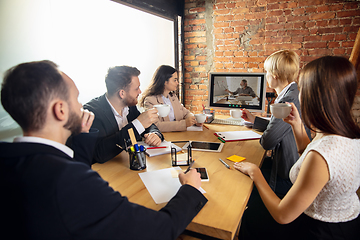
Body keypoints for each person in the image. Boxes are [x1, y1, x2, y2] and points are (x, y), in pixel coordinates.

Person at [0, 60, 208, 240]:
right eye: (76, 98)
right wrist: (190, 189)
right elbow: (160, 230)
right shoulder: (71, 181)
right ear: (61, 110)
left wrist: (82, 136)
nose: (82, 105)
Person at [235, 56, 360, 240]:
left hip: (318, 230)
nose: (299, 94)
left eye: (302, 89)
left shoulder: (322, 156)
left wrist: (255, 172)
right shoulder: (348, 135)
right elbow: (309, 153)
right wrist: (297, 125)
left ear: (313, 97)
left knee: (249, 219)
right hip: (347, 222)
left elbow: (282, 215)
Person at [237, 50, 311, 239]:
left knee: (244, 189)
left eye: (266, 72)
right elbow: (280, 127)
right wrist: (255, 121)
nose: (266, 76)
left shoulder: (288, 100)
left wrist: (262, 132)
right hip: (288, 164)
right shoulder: (291, 92)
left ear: (275, 76)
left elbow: (268, 141)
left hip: (285, 174)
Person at [83, 66, 164, 164]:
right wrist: (138, 124)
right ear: (122, 93)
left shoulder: (130, 106)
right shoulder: (92, 112)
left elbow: (148, 125)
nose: (140, 92)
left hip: (130, 166)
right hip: (107, 173)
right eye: (136, 88)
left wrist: (155, 134)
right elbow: (99, 153)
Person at [140, 65, 200, 132]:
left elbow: (186, 113)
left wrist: (195, 120)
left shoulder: (173, 97)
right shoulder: (150, 100)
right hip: (164, 139)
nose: (177, 83)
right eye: (175, 80)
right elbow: (156, 126)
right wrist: (184, 123)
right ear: (165, 82)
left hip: (180, 136)